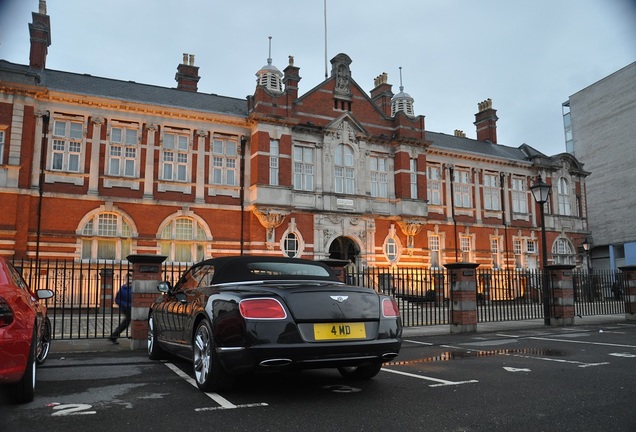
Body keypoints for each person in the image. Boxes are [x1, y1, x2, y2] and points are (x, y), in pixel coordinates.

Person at [110, 272, 132, 344]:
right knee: (126, 322)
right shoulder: (122, 289)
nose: (130, 280)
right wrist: (124, 304)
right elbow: (117, 300)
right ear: (126, 279)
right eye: (128, 279)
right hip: (126, 309)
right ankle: (114, 336)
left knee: (129, 322)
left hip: (134, 308)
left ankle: (114, 336)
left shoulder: (135, 289)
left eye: (131, 279)